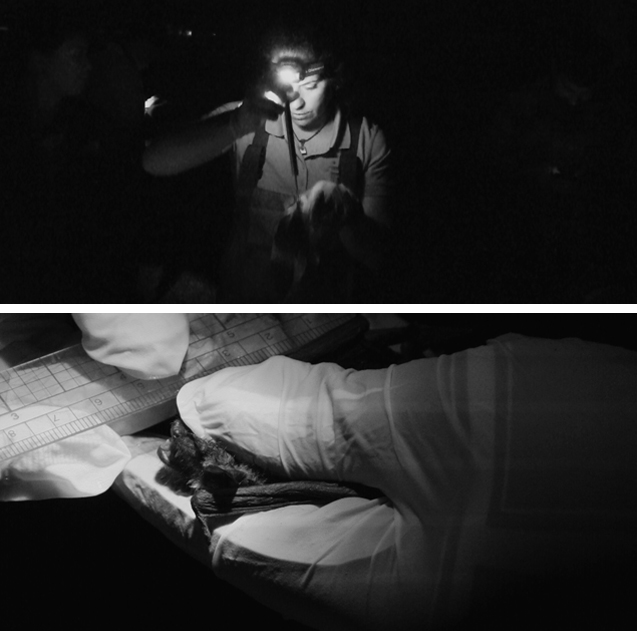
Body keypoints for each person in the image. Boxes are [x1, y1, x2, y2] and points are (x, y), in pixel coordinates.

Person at [173, 332, 637, 630]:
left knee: (243, 510)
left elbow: (216, 406)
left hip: (560, 389)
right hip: (556, 414)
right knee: (255, 538)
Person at [142, 21, 393, 302]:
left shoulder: (365, 140)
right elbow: (154, 161)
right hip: (247, 308)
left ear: (335, 78)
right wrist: (236, 124)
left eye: (310, 85)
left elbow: (380, 259)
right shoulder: (252, 120)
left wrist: (349, 215)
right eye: (287, 85)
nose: (295, 101)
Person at [1, 0, 141, 302]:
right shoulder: (12, 127)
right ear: (40, 61)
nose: (88, 65)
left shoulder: (87, 124)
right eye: (76, 56)